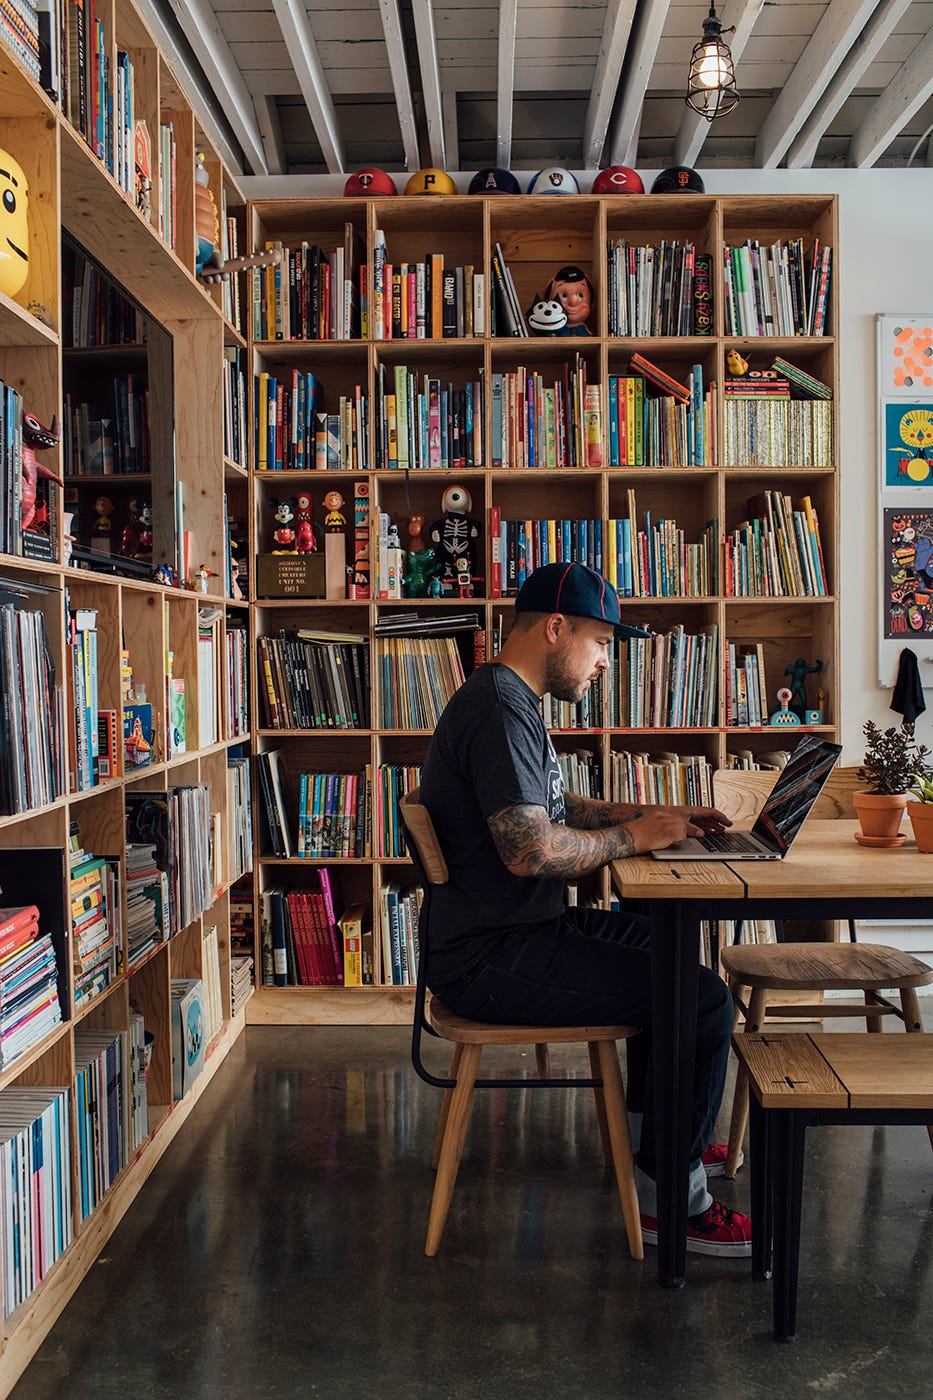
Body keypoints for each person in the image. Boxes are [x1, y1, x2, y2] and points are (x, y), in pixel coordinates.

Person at [420, 561, 752, 1257]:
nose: (604, 660)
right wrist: (633, 838)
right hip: (490, 954)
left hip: (520, 929)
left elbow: (557, 807)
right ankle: (673, 1198)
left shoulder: (508, 698)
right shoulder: (497, 709)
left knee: (674, 966)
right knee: (702, 1003)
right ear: (555, 627)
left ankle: (659, 1147)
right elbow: (528, 850)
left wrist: (652, 813)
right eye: (601, 641)